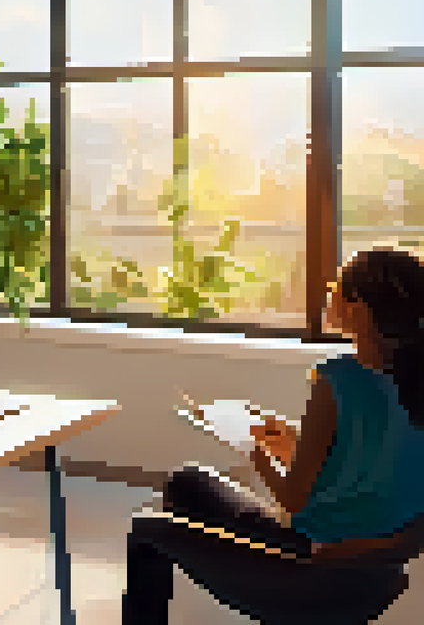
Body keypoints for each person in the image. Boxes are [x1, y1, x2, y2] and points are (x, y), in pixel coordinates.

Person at [121, 247, 424, 624]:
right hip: (376, 579)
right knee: (187, 480)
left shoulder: (338, 380)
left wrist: (253, 448)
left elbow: (293, 501)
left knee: (146, 530)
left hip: (310, 572)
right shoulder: (412, 382)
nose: (329, 292)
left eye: (337, 287)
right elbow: (375, 461)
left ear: (358, 311)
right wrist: (295, 441)